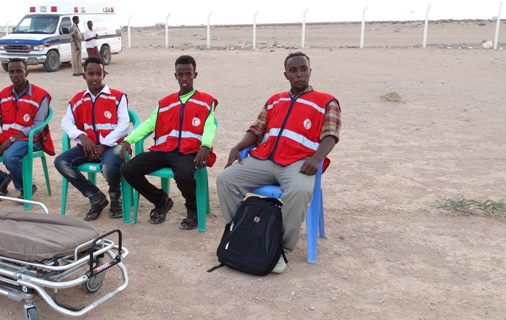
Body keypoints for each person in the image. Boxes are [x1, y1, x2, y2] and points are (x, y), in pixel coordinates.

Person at [216, 51, 341, 273]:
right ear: (286, 75)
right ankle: (242, 232)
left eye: (303, 69)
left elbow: (330, 135)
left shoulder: (327, 101)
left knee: (300, 191)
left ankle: (277, 247)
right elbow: (257, 129)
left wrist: (317, 158)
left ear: (310, 71)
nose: (299, 74)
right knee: (226, 179)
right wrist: (238, 147)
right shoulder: (275, 100)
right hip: (265, 157)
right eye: (293, 70)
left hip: (298, 162)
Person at [120, 55, 217, 230]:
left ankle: (193, 209)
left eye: (188, 74)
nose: (184, 78)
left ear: (195, 75)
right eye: (181, 74)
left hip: (188, 152)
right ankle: (161, 200)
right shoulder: (165, 103)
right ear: (176, 76)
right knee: (128, 169)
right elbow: (150, 124)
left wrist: (206, 145)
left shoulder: (205, 101)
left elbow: (210, 126)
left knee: (183, 175)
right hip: (164, 150)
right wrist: (128, 140)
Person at [55, 57, 129, 221]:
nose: (95, 77)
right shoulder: (78, 99)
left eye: (99, 73)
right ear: (84, 75)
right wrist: (81, 136)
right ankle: (96, 197)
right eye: (91, 73)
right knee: (61, 162)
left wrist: (103, 144)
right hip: (87, 146)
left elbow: (123, 125)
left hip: (111, 145)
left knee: (109, 166)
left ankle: (115, 198)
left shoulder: (118, 97)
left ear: (104, 74)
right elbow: (66, 122)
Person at [0, 58, 55, 198]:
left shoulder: (41, 95)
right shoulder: (4, 94)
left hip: (30, 138)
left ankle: (25, 187)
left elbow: (38, 126)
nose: (15, 75)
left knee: (9, 157)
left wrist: (13, 139)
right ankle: (1, 181)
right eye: (11, 72)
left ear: (26, 73)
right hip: (5, 137)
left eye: (19, 71)